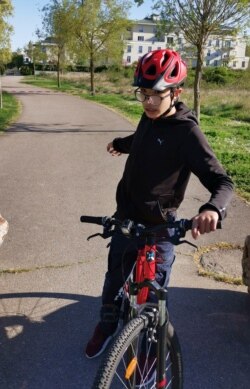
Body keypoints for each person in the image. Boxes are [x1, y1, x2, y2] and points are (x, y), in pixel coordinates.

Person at [85, 49, 234, 359]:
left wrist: (211, 209)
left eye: (157, 94)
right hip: (126, 218)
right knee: (114, 280)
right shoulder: (149, 116)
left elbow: (223, 182)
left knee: (154, 298)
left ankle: (152, 349)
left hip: (160, 227)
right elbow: (143, 138)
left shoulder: (187, 133)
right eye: (143, 93)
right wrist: (120, 145)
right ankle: (107, 325)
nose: (149, 101)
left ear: (175, 92)